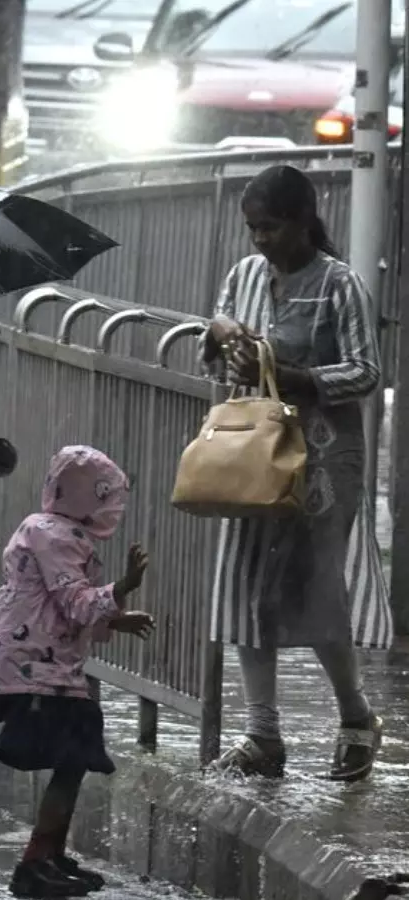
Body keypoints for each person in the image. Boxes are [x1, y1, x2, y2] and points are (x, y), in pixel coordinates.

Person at [200, 164, 393, 781]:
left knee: (317, 590)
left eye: (272, 228)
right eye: (253, 228)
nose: (261, 240)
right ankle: (262, 736)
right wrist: (222, 331)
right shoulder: (245, 276)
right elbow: (221, 342)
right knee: (251, 584)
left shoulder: (340, 285)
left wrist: (303, 379)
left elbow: (366, 371)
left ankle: (356, 718)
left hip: (324, 458)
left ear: (304, 221)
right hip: (256, 452)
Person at [0, 445, 153, 898]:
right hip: (33, 668)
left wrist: (116, 617)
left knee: (75, 756)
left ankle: (49, 854)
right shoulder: (54, 536)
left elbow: (62, 605)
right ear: (88, 495)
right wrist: (123, 588)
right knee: (72, 755)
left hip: (45, 666)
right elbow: (76, 604)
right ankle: (35, 862)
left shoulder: (57, 532)